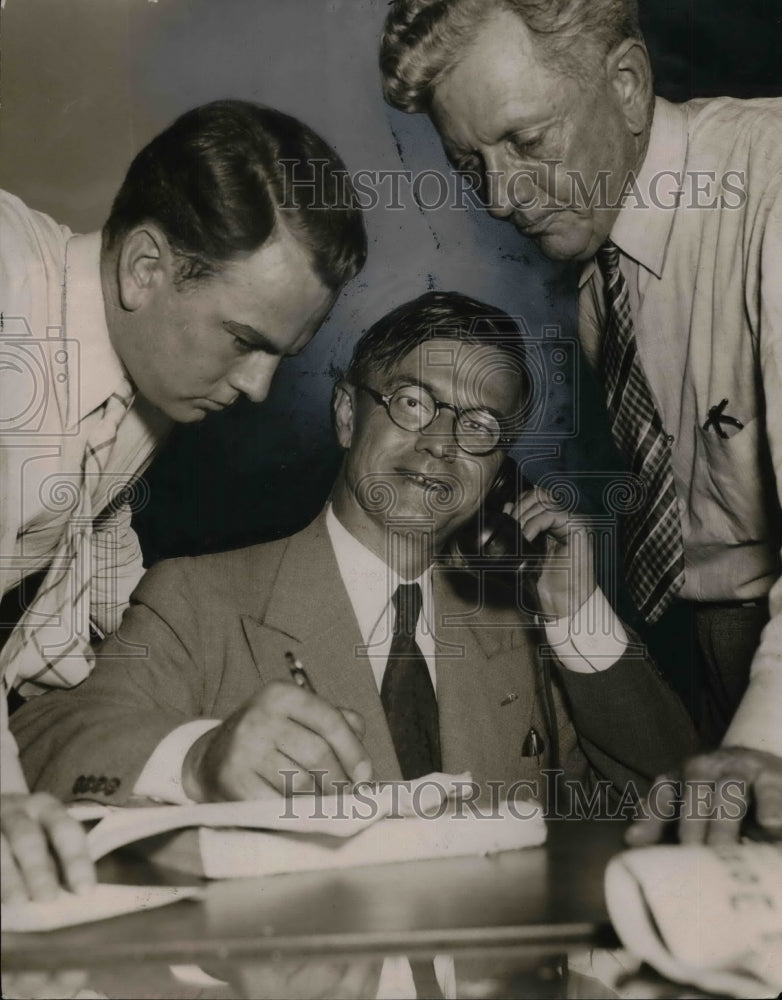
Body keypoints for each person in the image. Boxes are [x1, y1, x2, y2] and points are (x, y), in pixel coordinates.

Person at [11, 292, 696, 813]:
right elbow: (41, 746)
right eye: (412, 403)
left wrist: (578, 617)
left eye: (480, 426)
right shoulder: (197, 598)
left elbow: (675, 801)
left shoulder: (518, 627)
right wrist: (197, 762)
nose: (441, 444)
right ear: (346, 413)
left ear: (499, 469)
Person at [380, 0, 782, 842]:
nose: (499, 196)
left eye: (526, 141)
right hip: (713, 665)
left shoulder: (771, 191)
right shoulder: (604, 274)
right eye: (468, 161)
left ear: (628, 85)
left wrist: (759, 742)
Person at [0, 98, 367, 901]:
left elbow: (57, 664)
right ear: (144, 268)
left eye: (283, 355)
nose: (259, 388)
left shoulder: (146, 385)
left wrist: (199, 750)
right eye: (244, 341)